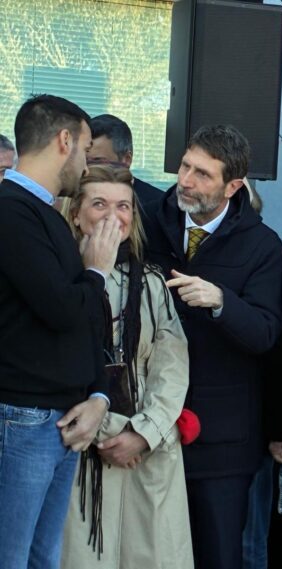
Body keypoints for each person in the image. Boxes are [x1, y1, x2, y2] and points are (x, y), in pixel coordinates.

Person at [142, 124, 282, 569]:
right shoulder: (147, 224)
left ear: (233, 186)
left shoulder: (263, 246)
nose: (185, 180)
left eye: (203, 174)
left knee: (219, 556)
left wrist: (222, 301)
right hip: (147, 427)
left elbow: (267, 334)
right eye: (185, 166)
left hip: (222, 441)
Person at [0, 94, 121, 568]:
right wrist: (96, 272)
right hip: (23, 419)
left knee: (40, 560)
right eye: (87, 150)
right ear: (64, 141)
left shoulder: (43, 214)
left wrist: (99, 396)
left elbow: (83, 328)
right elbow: (62, 310)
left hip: (57, 420)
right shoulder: (12, 213)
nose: (87, 165)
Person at [58, 164, 192, 568]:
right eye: (99, 204)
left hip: (147, 452)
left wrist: (143, 432)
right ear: (76, 214)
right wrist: (107, 431)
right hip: (82, 451)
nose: (113, 215)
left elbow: (172, 367)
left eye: (123, 206)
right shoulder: (60, 281)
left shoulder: (151, 283)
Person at [88, 114, 164, 207]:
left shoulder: (159, 207)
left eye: (98, 162)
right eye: (84, 161)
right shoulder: (75, 198)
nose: (87, 169)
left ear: (126, 160)